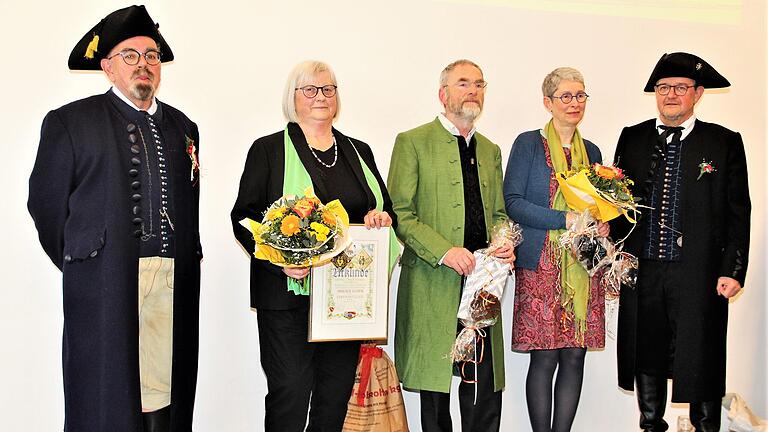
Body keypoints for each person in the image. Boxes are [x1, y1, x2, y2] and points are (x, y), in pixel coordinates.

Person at [27, 5, 202, 432]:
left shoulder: (184, 128)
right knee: (106, 397)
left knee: (166, 398)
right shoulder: (70, 122)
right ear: (107, 67)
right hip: (105, 284)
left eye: (151, 55)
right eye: (130, 55)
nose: (143, 64)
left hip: (171, 280)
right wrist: (87, 258)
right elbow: (46, 206)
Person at [230, 60, 395, 432]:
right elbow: (243, 218)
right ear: (294, 98)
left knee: (334, 395)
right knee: (290, 389)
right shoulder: (268, 150)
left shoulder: (359, 151)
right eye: (310, 89)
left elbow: (386, 211)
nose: (321, 96)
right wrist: (279, 262)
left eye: (328, 89)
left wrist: (380, 218)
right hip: (286, 296)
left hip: (344, 301)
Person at [612, 52, 751, 432]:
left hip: (700, 272)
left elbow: (739, 211)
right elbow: (617, 203)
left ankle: (706, 428)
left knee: (701, 354)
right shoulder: (633, 137)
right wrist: (610, 256)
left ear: (698, 93)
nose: (670, 94)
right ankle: (651, 425)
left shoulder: (723, 142)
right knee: (647, 353)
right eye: (663, 88)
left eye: (680, 88)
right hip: (645, 269)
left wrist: (733, 270)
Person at [388, 59, 514, 432]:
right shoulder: (412, 142)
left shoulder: (490, 149)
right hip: (434, 279)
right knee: (436, 385)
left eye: (479, 84)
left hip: (483, 284)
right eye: (463, 83)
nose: (472, 90)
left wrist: (504, 242)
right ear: (443, 94)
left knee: (484, 384)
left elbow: (499, 213)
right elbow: (400, 212)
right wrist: (445, 251)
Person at [503, 67, 609, 432]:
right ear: (548, 102)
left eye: (580, 95)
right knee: (544, 358)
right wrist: (562, 219)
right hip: (541, 264)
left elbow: (598, 204)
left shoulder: (592, 151)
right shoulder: (529, 143)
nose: (574, 103)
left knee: (575, 356)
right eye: (565, 96)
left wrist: (603, 219)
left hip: (582, 265)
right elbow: (513, 202)